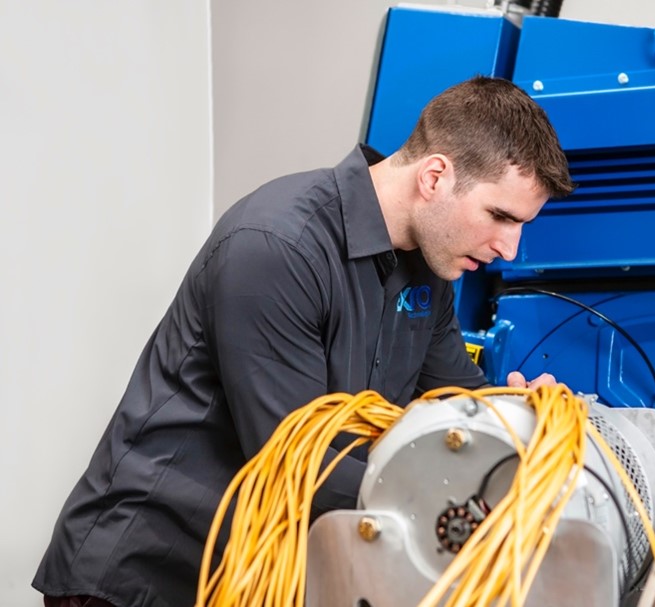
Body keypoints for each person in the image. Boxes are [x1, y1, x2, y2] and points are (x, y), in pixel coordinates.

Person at [33, 75, 575, 607]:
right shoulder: (278, 246)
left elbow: (457, 406)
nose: (510, 248)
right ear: (434, 177)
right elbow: (297, 464)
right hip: (142, 578)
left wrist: (521, 425)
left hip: (244, 578)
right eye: (500, 216)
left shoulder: (428, 275)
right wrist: (470, 510)